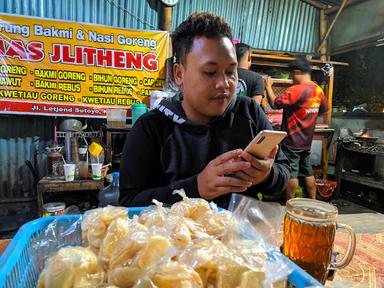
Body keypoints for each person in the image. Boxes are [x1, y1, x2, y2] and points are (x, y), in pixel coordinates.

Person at [119, 12, 290, 208]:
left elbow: (283, 174)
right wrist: (196, 188)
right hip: (175, 238)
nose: (224, 84)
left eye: (230, 72)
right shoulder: (151, 128)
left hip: (241, 236)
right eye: (210, 72)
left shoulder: (250, 112)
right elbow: (128, 203)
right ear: (179, 74)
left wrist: (266, 176)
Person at [264, 57, 327, 200]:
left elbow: (274, 104)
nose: (292, 78)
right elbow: (323, 110)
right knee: (308, 172)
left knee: (292, 172)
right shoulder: (318, 91)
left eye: (292, 74)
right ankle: (314, 201)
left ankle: (289, 203)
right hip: (306, 141)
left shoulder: (296, 90)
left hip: (292, 140)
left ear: (297, 72)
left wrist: (268, 86)